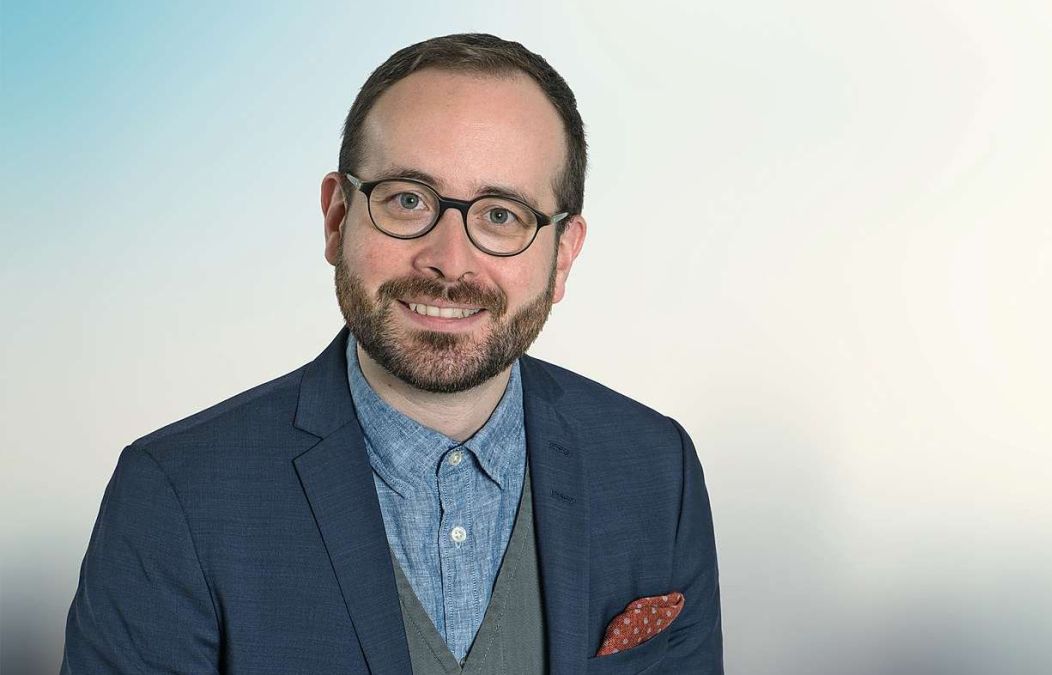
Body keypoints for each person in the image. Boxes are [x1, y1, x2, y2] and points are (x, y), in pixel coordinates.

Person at [61, 33, 722, 674]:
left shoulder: (657, 471)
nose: (449, 261)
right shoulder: (175, 495)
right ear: (336, 218)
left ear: (564, 255)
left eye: (501, 215)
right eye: (408, 200)